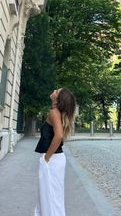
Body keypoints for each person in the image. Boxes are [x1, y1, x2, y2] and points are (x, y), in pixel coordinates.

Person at [34, 88, 76, 216]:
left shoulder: (54, 113)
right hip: (56, 159)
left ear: (58, 99)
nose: (54, 90)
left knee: (49, 197)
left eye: (57, 91)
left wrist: (46, 157)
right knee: (51, 197)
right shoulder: (56, 113)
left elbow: (58, 136)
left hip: (53, 159)